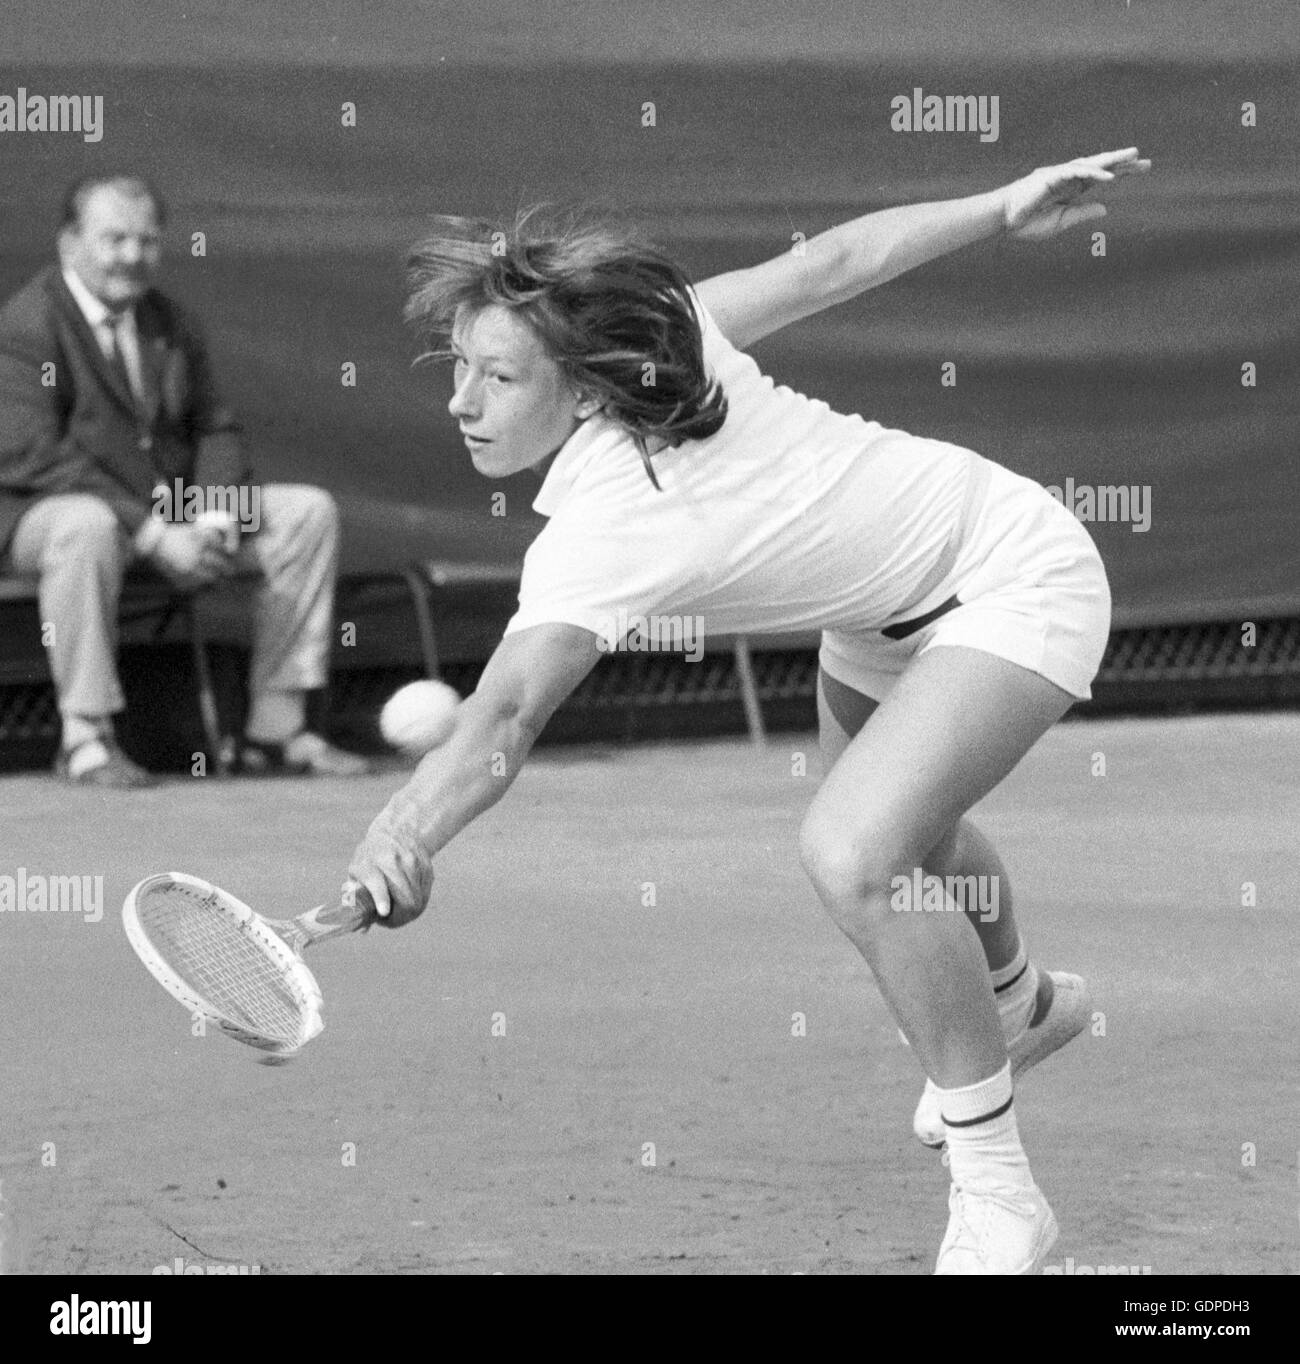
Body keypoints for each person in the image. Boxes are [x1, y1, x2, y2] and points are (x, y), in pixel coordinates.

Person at [346, 147, 1149, 1273]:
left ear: (585, 382)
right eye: (457, 367)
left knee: (851, 846)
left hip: (1014, 568)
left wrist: (404, 831)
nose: (460, 400)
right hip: (879, 612)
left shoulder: (616, 498)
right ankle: (1017, 1002)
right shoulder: (643, 378)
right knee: (900, 828)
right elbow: (834, 262)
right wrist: (405, 834)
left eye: (497, 376)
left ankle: (1000, 1191)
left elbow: (502, 717)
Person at [0, 173, 369, 785]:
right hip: (47, 517)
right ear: (70, 244)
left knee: (306, 512)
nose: (131, 256)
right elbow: (35, 457)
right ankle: (85, 738)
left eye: (146, 241)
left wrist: (214, 517)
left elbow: (217, 429)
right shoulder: (26, 325)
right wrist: (153, 534)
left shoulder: (169, 321)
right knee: (85, 525)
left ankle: (276, 730)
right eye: (113, 239)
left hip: (172, 510)